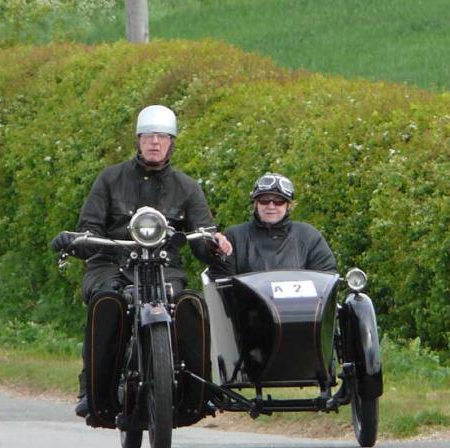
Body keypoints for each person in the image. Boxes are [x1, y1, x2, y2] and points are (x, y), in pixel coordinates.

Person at [52, 104, 231, 419]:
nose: (155, 142)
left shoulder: (187, 187)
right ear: (138, 140)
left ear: (171, 142)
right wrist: (77, 241)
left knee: (190, 305)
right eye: (148, 135)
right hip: (112, 263)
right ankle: (92, 388)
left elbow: (204, 235)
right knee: (107, 301)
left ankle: (198, 393)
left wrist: (216, 243)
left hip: (164, 267)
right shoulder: (110, 179)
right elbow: (89, 226)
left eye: (162, 136)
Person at [208, 172, 336, 279]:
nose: (271, 206)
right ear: (255, 203)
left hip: (301, 302)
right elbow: (221, 282)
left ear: (288, 205)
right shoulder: (234, 237)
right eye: (264, 200)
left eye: (279, 201)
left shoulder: (308, 236)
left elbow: (325, 278)